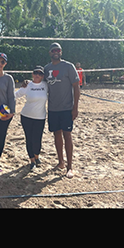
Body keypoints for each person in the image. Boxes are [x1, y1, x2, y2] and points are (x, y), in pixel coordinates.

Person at [43, 43, 80, 176]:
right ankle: (61, 162)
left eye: (58, 50)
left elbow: (76, 87)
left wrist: (75, 107)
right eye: (53, 50)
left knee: (67, 135)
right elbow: (39, 82)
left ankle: (70, 167)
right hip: (53, 108)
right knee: (56, 134)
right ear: (50, 53)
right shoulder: (46, 68)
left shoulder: (68, 66)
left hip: (66, 108)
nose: (56, 52)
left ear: (61, 52)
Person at [15, 66, 48, 169]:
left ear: (43, 76)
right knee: (29, 138)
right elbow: (14, 95)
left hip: (40, 117)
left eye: (40, 73)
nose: (37, 75)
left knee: (37, 138)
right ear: (32, 74)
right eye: (35, 73)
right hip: (26, 116)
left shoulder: (46, 85)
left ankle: (37, 156)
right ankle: (32, 160)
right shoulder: (28, 85)